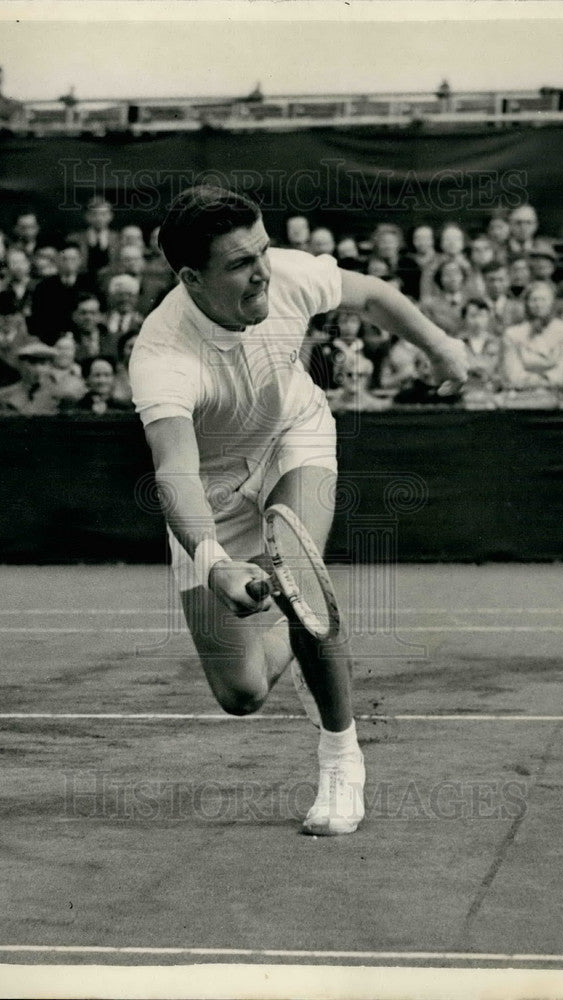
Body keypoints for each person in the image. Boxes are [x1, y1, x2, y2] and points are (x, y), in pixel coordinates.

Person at [129, 186, 466, 836]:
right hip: (213, 492)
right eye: (240, 263)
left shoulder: (286, 275)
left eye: (262, 248)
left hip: (293, 436)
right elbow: (174, 471)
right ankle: (298, 617)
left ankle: (341, 757)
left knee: (301, 582)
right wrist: (215, 561)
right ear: (192, 278)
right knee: (242, 692)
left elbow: (370, 295)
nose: (262, 269)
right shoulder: (162, 354)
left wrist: (439, 345)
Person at [501, 281, 563, 392]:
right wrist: (533, 382)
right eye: (534, 300)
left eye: (543, 300)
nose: (538, 305)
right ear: (526, 303)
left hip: (559, 389)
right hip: (523, 391)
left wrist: (546, 379)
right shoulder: (512, 334)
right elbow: (512, 370)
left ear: (552, 303)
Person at [0, 342, 62, 414]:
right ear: (22, 365)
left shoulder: (60, 397)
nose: (38, 369)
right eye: (32, 363)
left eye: (43, 364)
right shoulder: (4, 396)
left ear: (50, 367)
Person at [63, 356, 132, 414]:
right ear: (86, 379)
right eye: (97, 375)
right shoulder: (75, 408)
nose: (102, 380)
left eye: (107, 375)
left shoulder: (123, 408)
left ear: (114, 378)